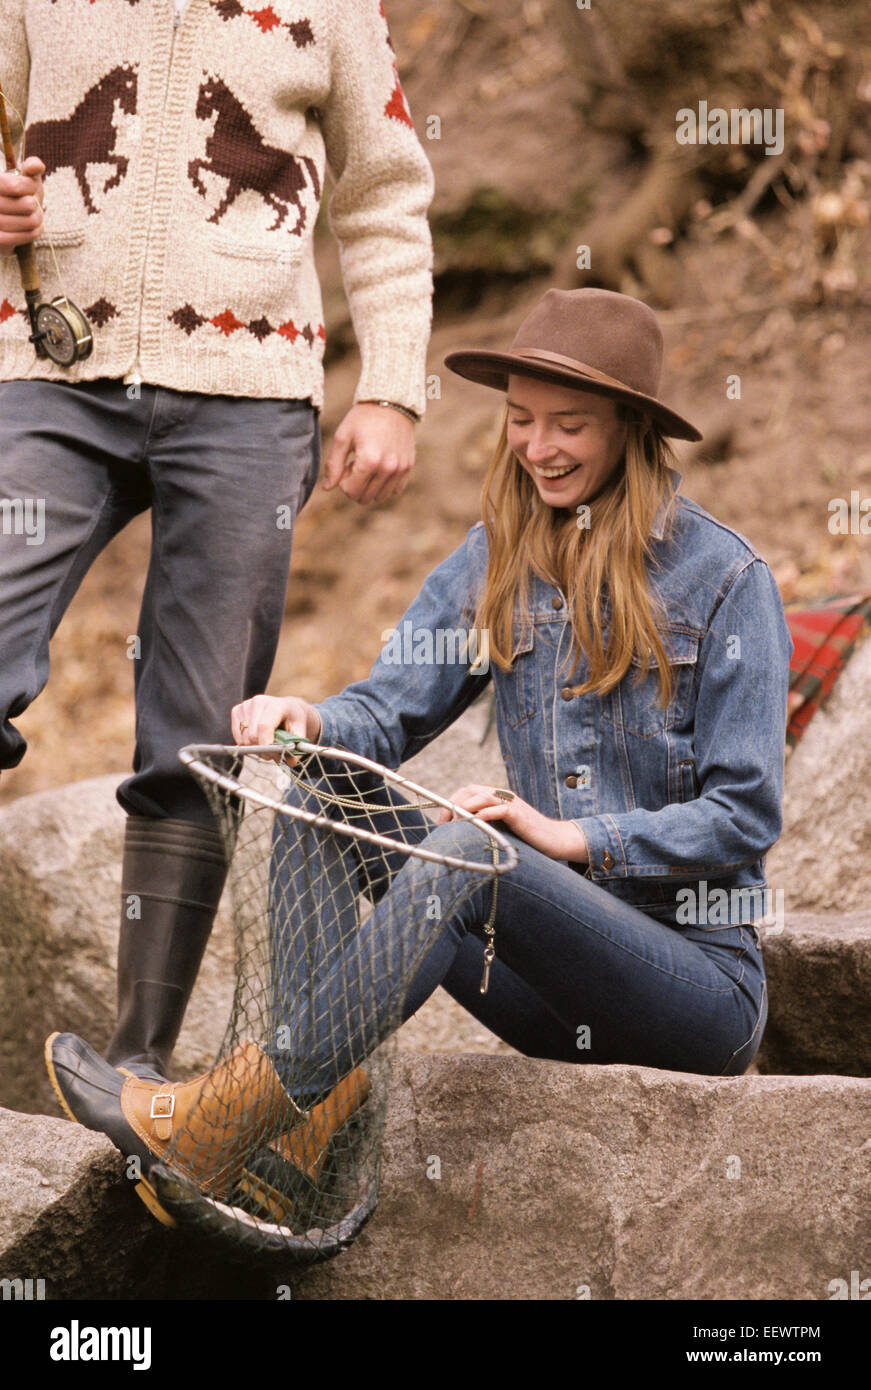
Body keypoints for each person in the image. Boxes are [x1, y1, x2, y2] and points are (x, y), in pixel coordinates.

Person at [46, 287, 793, 1197]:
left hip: (693, 990)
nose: (538, 448)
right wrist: (311, 720)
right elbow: (387, 715)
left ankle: (233, 1115)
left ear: (633, 429)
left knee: (463, 853)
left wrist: (573, 841)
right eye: (520, 420)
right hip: (550, 996)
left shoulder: (726, 581)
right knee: (326, 786)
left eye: (570, 426)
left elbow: (741, 817)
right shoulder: (496, 556)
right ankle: (299, 1129)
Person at [1, 0, 434, 1084]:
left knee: (198, 735)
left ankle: (135, 1064)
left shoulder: (333, 9)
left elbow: (384, 191)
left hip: (249, 402)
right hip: (52, 377)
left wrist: (391, 390)